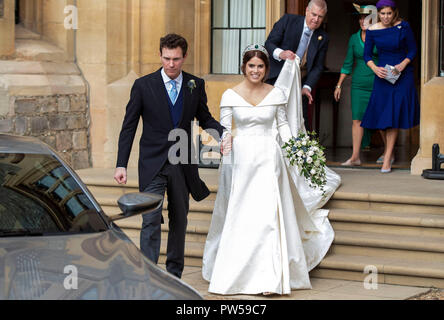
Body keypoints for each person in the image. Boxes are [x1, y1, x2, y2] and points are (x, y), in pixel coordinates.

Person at [202, 45, 341, 295]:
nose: (255, 70)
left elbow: (283, 125)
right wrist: (224, 145)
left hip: (269, 157)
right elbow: (224, 130)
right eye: (251, 66)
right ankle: (237, 273)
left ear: (266, 69)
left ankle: (271, 276)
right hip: (242, 160)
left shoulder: (276, 93)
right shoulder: (230, 95)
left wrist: (297, 150)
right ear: (244, 67)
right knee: (243, 215)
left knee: (268, 217)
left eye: (260, 66)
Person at [114, 34, 224, 279]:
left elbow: (204, 118)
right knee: (150, 219)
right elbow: (129, 126)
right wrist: (121, 163)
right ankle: (149, 276)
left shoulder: (195, 85)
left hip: (182, 162)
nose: (171, 64)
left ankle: (174, 276)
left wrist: (223, 136)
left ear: (184, 57)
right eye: (166, 58)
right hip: (152, 163)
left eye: (176, 59)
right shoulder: (143, 85)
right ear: (160, 55)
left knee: (179, 220)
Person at [361, 0, 420, 173]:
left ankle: (387, 158)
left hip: (402, 74)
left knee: (392, 116)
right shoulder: (372, 31)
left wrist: (402, 65)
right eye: (382, 13)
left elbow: (413, 49)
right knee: (381, 116)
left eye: (389, 13)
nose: (386, 17)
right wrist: (374, 68)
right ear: (378, 13)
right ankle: (390, 151)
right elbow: (367, 55)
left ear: (394, 13)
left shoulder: (404, 26)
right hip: (383, 74)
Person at [265, 0, 329, 130]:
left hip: (300, 84)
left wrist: (307, 87)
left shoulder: (323, 37)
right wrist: (281, 53)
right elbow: (269, 43)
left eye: (320, 17)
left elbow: (318, 66)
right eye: (313, 14)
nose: (316, 20)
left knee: (300, 122)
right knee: (271, 119)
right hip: (277, 78)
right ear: (306, 10)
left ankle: (298, 149)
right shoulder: (288, 20)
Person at [334, 4, 379, 166]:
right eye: (360, 17)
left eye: (366, 17)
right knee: (357, 120)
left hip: (378, 83)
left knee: (380, 119)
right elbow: (347, 63)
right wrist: (339, 85)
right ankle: (355, 157)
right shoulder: (354, 38)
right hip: (358, 85)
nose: (362, 20)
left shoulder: (380, 36)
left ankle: (389, 153)